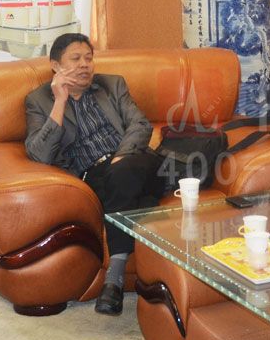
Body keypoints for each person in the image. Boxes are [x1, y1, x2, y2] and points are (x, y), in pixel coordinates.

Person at [25, 33, 167, 316]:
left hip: (135, 160)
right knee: (139, 201)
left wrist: (122, 156)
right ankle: (154, 270)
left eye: (88, 58)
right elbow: (39, 154)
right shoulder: (38, 100)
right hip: (94, 176)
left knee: (124, 175)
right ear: (55, 65)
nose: (84, 65)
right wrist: (60, 101)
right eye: (75, 59)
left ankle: (114, 278)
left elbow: (139, 124)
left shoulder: (112, 85)